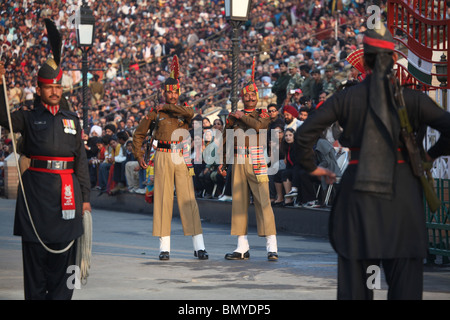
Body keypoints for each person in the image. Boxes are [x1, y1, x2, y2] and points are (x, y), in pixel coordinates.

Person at [296, 25, 450, 300]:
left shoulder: (345, 98)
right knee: (405, 289)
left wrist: (313, 167)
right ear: (393, 61)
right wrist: (430, 155)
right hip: (402, 199)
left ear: (365, 61)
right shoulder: (413, 99)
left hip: (357, 198)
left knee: (358, 288)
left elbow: (304, 135)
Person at [0, 19, 91, 300]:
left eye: (58, 87)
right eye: (49, 87)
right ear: (39, 90)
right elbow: (2, 116)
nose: (55, 91)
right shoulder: (27, 118)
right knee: (36, 270)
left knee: (66, 270)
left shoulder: (72, 121)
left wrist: (86, 199)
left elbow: (81, 162)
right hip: (36, 198)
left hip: (68, 195)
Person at [132, 56, 208, 261]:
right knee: (164, 200)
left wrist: (166, 108)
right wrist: (139, 155)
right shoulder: (154, 113)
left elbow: (190, 113)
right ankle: (164, 248)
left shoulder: (184, 110)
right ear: (163, 93)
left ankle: (199, 246)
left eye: (175, 92)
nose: (172, 95)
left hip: (181, 155)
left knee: (188, 201)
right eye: (169, 92)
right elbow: (138, 134)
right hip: (163, 155)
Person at [219, 61, 278, 261]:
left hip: (257, 159)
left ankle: (272, 247)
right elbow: (226, 139)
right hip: (237, 159)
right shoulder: (233, 117)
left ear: (258, 97)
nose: (250, 97)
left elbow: (259, 128)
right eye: (247, 95)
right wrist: (223, 162)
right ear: (242, 97)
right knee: (239, 204)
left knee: (263, 203)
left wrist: (241, 117)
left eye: (253, 94)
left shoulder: (262, 114)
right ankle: (242, 247)